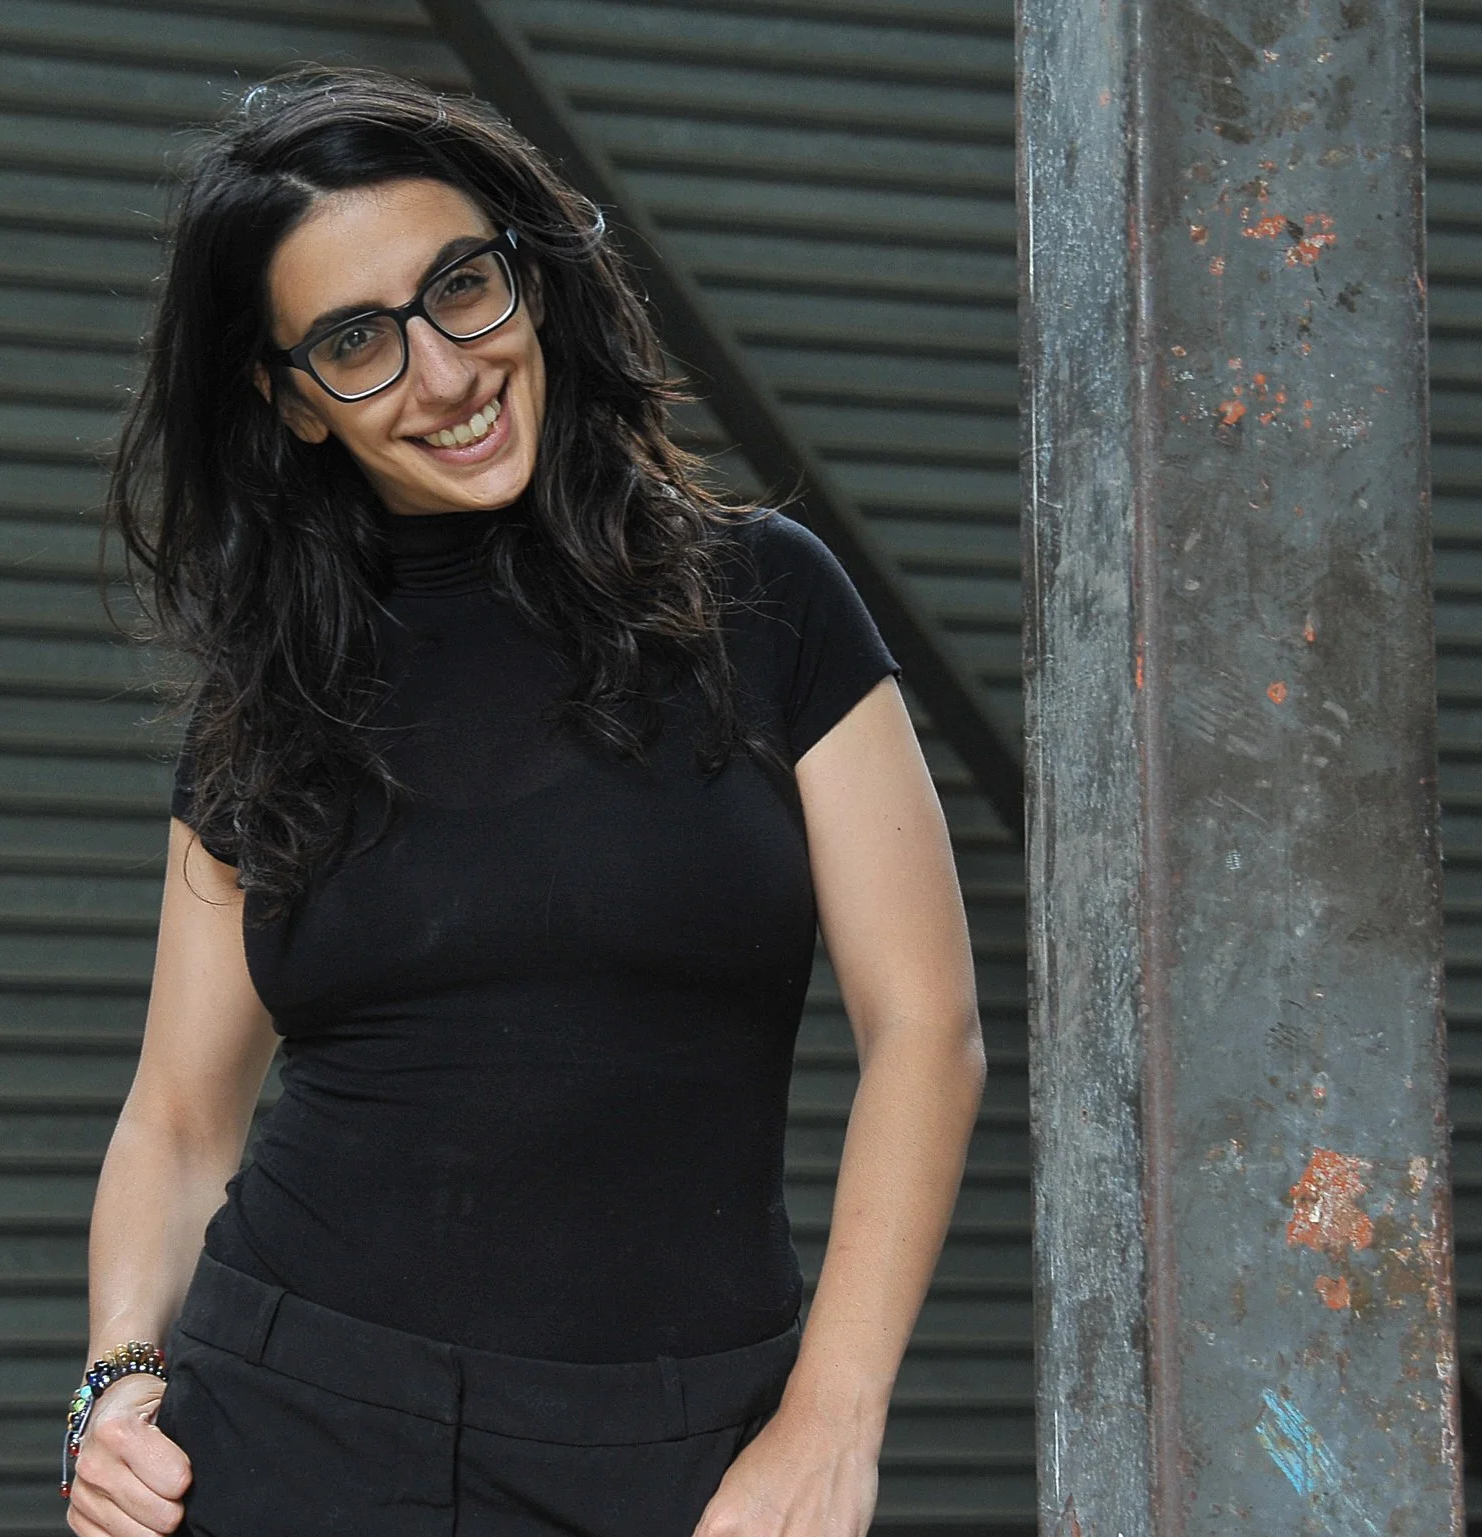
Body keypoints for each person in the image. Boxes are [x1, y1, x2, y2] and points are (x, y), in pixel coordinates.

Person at [67, 66, 983, 1537]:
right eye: (355, 341)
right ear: (290, 401)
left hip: (674, 1452)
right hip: (293, 1426)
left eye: (460, 287)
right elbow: (178, 1119)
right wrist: (115, 1383)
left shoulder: (766, 600)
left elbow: (927, 1032)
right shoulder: (276, 692)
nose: (443, 373)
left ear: (531, 278)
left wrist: (832, 1419)